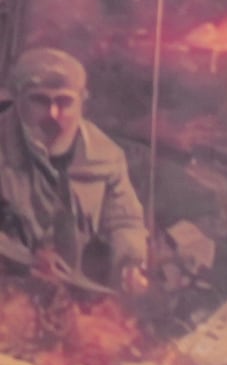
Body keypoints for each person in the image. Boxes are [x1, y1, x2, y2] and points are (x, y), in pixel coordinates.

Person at [0, 49, 145, 294]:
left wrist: (130, 262)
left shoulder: (107, 156)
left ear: (82, 103)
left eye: (64, 102)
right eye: (40, 100)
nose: (53, 115)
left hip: (75, 292)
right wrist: (25, 257)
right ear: (17, 99)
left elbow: (125, 220)